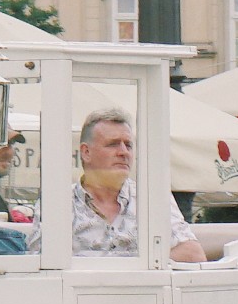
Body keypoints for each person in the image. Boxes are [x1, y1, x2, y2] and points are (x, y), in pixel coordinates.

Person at [72, 109, 206, 263]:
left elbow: (194, 255)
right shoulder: (59, 206)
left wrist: (123, 271)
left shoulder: (151, 198)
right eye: (113, 144)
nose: (123, 152)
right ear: (86, 152)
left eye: (128, 145)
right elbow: (40, 266)